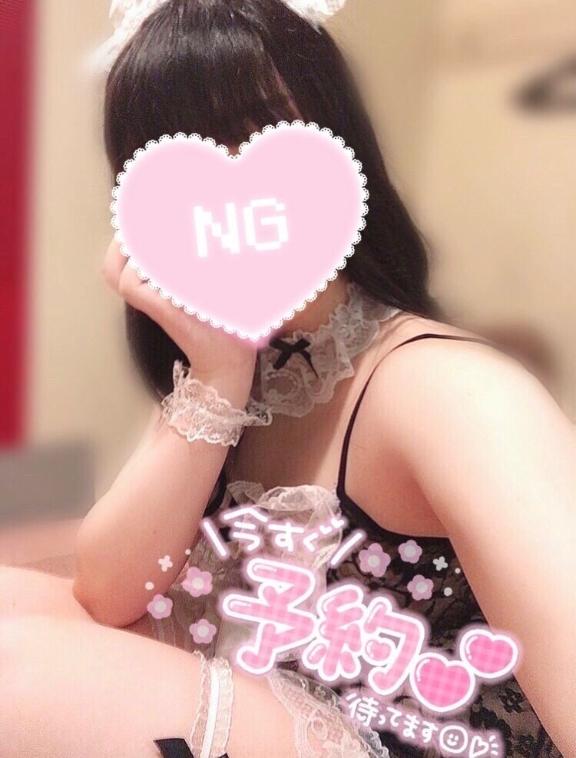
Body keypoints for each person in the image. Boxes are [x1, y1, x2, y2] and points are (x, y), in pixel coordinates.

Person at [1, 1, 574, 756]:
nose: (225, 192)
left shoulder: (448, 391)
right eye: (174, 156)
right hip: (271, 682)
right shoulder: (242, 367)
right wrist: (218, 377)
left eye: (256, 128)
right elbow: (109, 591)